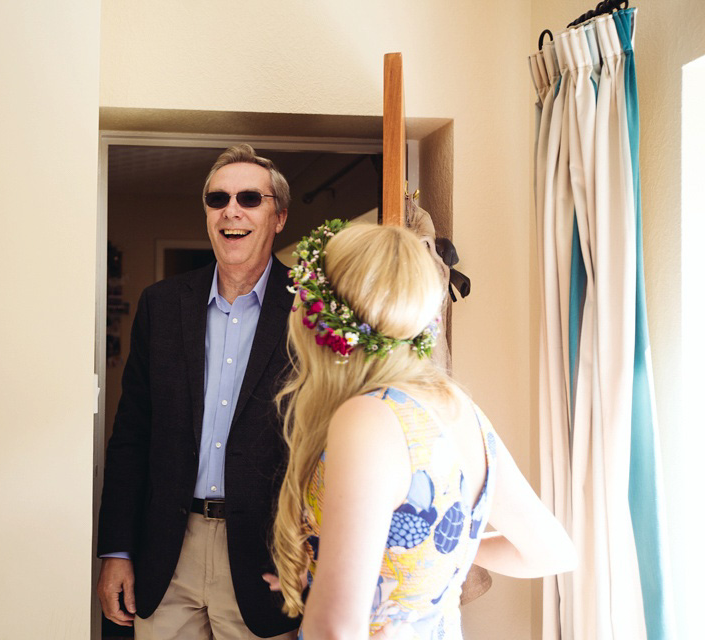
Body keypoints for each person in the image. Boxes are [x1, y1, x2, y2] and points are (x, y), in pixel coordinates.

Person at [269, 221, 576, 639]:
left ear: (320, 314)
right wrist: (429, 557)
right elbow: (549, 553)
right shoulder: (454, 406)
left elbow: (336, 628)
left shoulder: (368, 418)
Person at [97, 144, 300, 639]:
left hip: (266, 559)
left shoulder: (311, 311)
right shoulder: (162, 305)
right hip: (168, 550)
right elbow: (132, 434)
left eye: (250, 198)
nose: (231, 211)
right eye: (217, 199)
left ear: (278, 217)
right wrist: (117, 551)